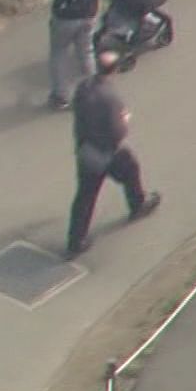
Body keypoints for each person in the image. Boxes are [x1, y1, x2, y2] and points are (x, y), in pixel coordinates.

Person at [65, 49, 161, 259]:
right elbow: (117, 132)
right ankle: (138, 204)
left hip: (85, 149)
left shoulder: (84, 87)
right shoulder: (109, 97)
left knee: (85, 196)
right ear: (115, 70)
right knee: (130, 170)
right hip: (107, 152)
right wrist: (124, 119)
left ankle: (76, 239)